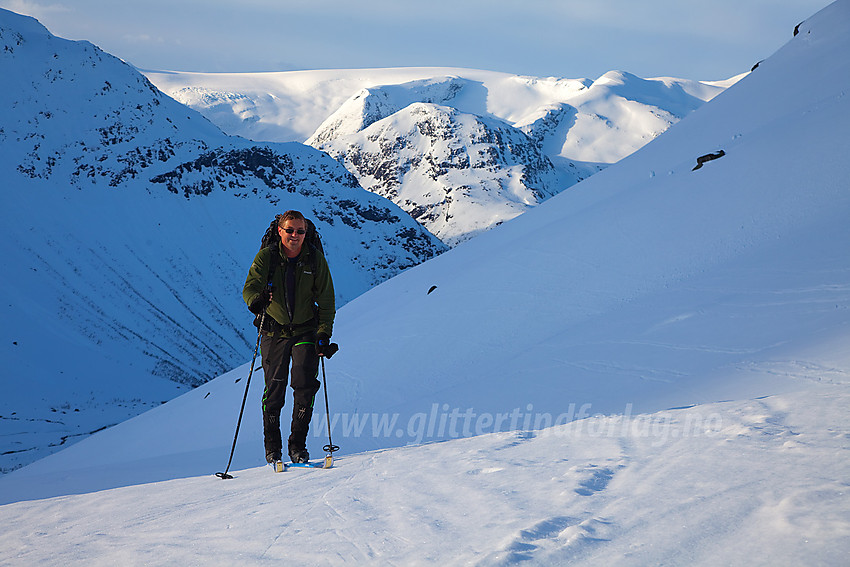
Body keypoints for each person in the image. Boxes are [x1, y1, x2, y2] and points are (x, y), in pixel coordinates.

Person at [242, 210, 336, 464]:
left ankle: (298, 446)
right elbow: (250, 287)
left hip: (306, 330)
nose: (295, 236)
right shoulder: (268, 257)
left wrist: (324, 334)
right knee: (274, 390)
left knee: (304, 387)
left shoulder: (315, 260)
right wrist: (256, 301)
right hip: (274, 330)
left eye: (300, 231)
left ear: (306, 233)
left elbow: (326, 300)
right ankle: (273, 448)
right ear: (280, 231)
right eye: (290, 230)